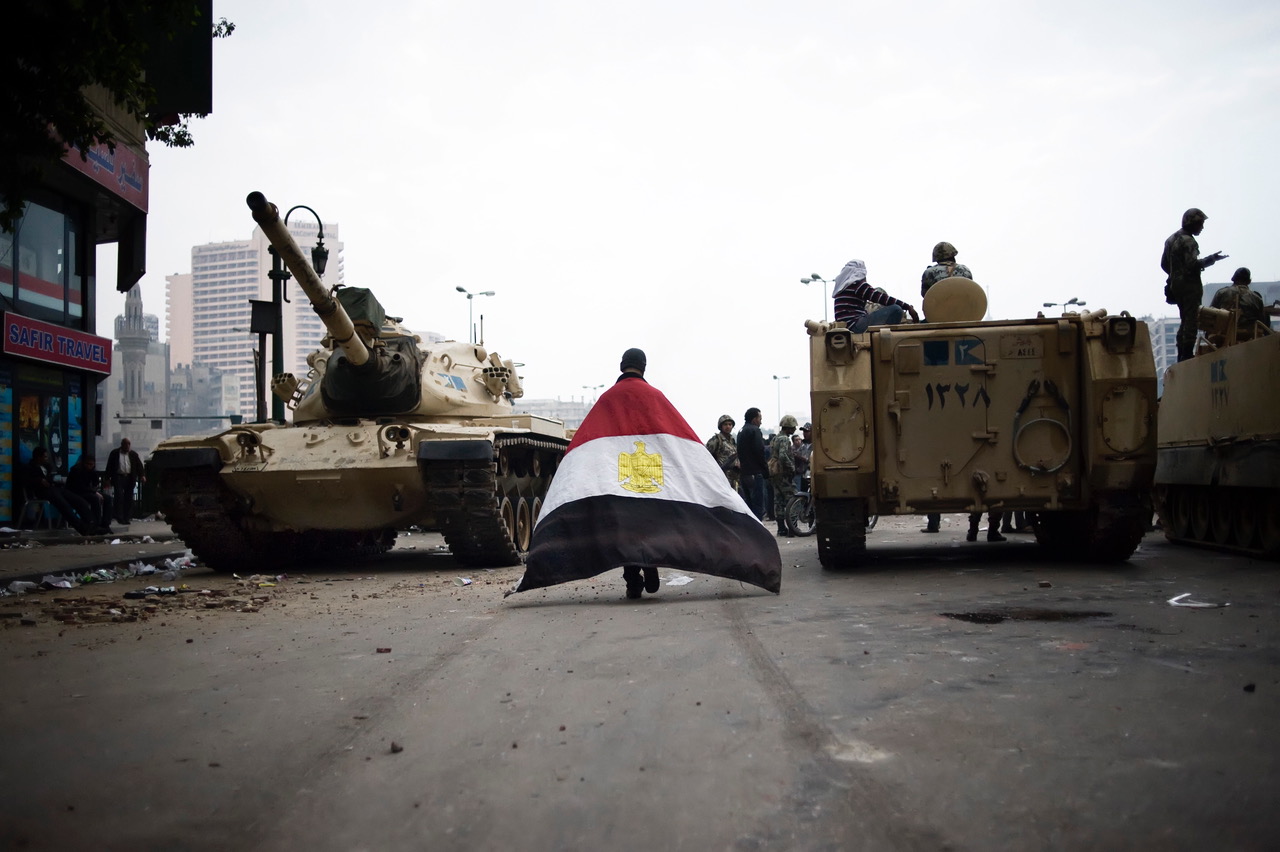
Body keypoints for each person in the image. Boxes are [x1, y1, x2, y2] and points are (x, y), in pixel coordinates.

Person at [510, 348, 782, 600]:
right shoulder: (655, 398)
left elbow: (588, 447)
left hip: (618, 485)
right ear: (643, 367)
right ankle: (650, 566)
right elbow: (678, 442)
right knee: (650, 526)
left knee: (624, 529)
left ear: (622, 366)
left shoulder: (607, 400)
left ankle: (632, 579)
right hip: (653, 485)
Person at [1161, 208, 1227, 362]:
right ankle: (1187, 354)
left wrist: (1175, 274)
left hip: (1176, 286)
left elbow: (1164, 264)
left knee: (1184, 319)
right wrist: (1211, 259)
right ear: (1191, 223)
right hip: (1190, 286)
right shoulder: (1188, 241)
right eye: (1200, 224)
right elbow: (1192, 264)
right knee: (1191, 320)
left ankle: (1181, 354)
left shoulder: (1171, 239)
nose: (1202, 227)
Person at [24, 447, 105, 535]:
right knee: (64, 505)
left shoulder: (47, 466)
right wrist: (39, 480)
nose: (46, 459)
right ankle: (82, 528)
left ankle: (92, 524)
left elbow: (50, 479)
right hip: (43, 491)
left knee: (79, 501)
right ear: (38, 457)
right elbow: (27, 480)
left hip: (54, 488)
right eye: (45, 457)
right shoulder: (30, 467)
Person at [831, 258, 919, 332]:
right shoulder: (858, 285)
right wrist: (907, 307)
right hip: (856, 325)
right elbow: (881, 298)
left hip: (847, 326)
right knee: (896, 309)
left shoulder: (843, 289)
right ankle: (888, 337)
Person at [1210, 267, 1268, 341]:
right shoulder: (1256, 298)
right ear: (1249, 281)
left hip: (1223, 335)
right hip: (1250, 336)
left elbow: (1211, 315)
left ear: (1233, 279)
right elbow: (1262, 320)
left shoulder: (1221, 293)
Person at [737, 407, 768, 521]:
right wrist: (765, 470)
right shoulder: (755, 430)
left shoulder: (741, 431)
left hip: (744, 473)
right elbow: (759, 451)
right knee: (758, 505)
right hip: (755, 473)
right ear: (754, 419)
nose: (761, 422)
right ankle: (758, 528)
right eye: (760, 418)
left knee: (749, 504)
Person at [769, 415, 798, 537]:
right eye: (793, 427)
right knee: (792, 498)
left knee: (779, 500)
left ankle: (781, 528)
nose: (795, 429)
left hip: (775, 472)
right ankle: (793, 528)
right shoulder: (785, 439)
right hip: (783, 473)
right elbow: (782, 455)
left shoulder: (775, 438)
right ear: (789, 427)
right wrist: (791, 467)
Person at [106, 437, 145, 526]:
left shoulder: (133, 454)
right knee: (119, 496)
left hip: (129, 478)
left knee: (129, 498)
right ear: (122, 445)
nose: (127, 446)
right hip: (118, 477)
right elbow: (109, 466)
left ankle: (126, 517)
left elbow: (139, 466)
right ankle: (119, 517)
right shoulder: (115, 453)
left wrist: (142, 475)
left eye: (128, 444)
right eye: (125, 444)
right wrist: (107, 478)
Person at [66, 455, 106, 528]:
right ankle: (96, 523)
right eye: (88, 464)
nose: (89, 466)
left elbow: (95, 484)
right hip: (76, 492)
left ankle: (105, 523)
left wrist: (95, 490)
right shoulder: (76, 470)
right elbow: (80, 486)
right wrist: (94, 492)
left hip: (88, 491)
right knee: (95, 498)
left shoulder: (92, 471)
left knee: (107, 498)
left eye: (91, 464)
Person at [705, 414, 740, 492]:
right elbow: (706, 456)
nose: (728, 427)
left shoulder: (732, 440)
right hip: (721, 476)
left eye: (730, 424)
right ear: (721, 426)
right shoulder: (716, 440)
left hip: (733, 477)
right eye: (725, 424)